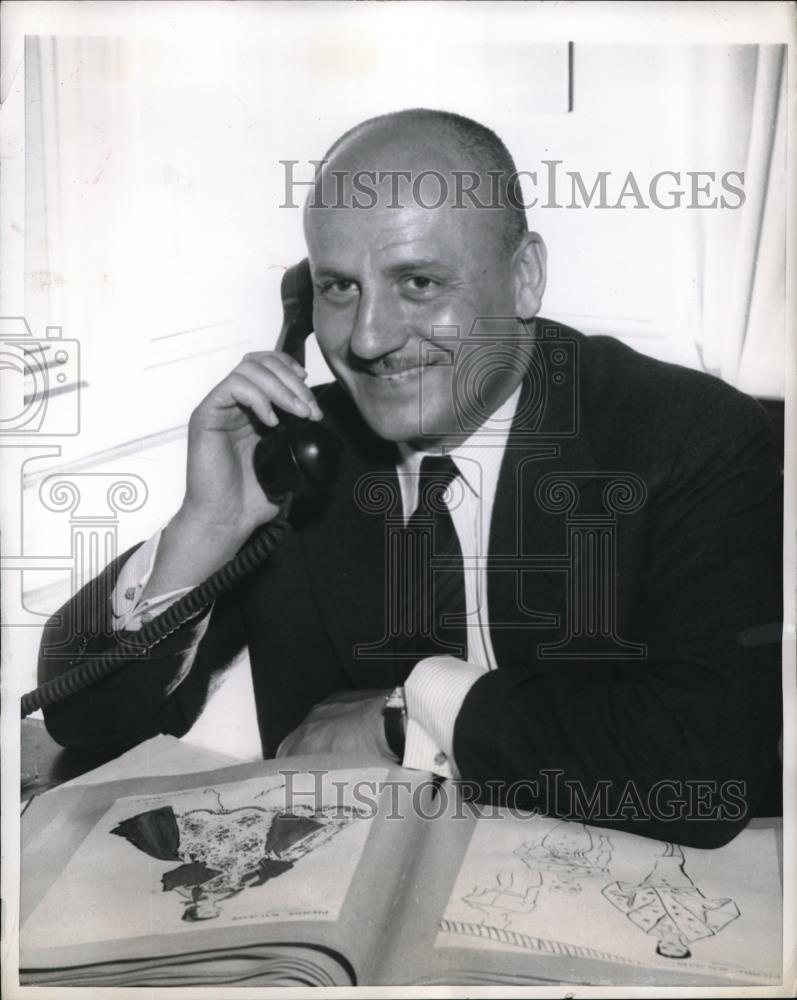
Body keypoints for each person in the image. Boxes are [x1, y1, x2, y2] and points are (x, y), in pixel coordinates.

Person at [38, 109, 782, 848]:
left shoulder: (693, 437)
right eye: (338, 287)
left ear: (524, 279)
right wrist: (204, 529)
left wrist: (410, 714)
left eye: (418, 282)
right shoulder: (298, 455)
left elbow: (708, 765)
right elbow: (86, 720)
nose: (365, 339)